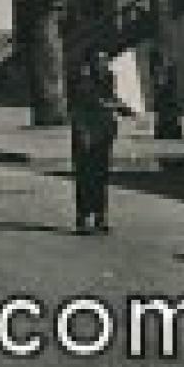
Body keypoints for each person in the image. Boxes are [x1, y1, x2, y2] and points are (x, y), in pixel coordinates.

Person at [69, 48, 137, 235]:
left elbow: (110, 99)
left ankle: (100, 216)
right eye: (99, 61)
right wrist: (82, 133)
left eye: (105, 60)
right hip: (86, 133)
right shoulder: (82, 82)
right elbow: (81, 108)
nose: (103, 65)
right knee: (85, 177)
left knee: (101, 176)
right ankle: (82, 218)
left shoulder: (108, 78)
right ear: (90, 64)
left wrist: (124, 108)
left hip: (104, 133)